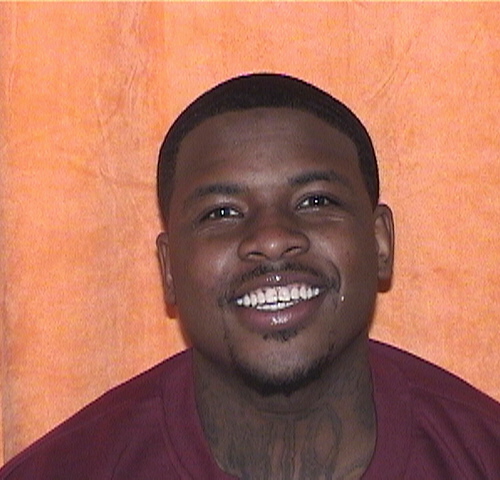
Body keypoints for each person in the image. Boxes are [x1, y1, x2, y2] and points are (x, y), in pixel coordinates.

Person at [1, 73, 499, 479]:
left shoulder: (482, 452)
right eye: (221, 212)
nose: (272, 238)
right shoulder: (65, 469)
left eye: (315, 201)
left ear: (380, 243)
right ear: (169, 268)